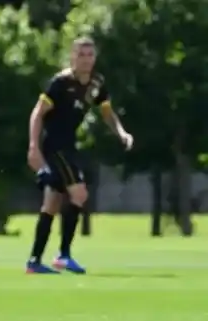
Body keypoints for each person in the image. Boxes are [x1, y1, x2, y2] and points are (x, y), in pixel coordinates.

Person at [26, 37, 133, 274]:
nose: (86, 59)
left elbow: (107, 112)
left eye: (90, 55)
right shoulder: (61, 82)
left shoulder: (96, 83)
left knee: (52, 203)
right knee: (80, 193)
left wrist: (122, 133)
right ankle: (63, 256)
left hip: (69, 146)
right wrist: (33, 146)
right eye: (81, 54)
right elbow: (38, 113)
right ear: (72, 57)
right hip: (55, 147)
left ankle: (34, 261)